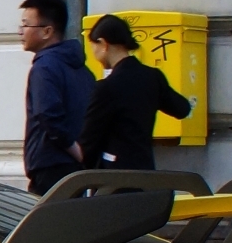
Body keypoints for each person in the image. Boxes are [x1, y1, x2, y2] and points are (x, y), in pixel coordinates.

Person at [77, 14, 194, 173]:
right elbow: (182, 109)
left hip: (114, 177)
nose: (93, 54)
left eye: (93, 47)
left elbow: (89, 140)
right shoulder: (152, 77)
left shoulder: (107, 87)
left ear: (103, 44)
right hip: (145, 170)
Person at [18, 0, 92, 193]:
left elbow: (48, 114)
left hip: (50, 166)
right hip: (73, 168)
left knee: (45, 223)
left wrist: (74, 148)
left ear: (47, 31)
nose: (20, 31)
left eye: (26, 25)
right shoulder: (80, 67)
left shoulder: (45, 67)